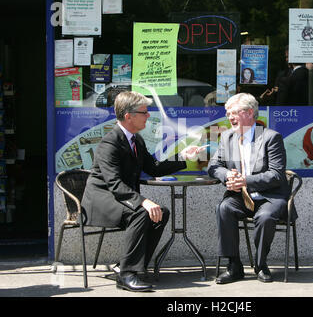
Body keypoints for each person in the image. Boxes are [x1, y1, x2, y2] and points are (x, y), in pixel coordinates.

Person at [81, 91, 202, 292]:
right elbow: (114, 183)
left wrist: (182, 156)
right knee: (141, 212)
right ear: (128, 116)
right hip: (101, 200)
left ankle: (134, 266)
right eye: (144, 112)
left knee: (161, 213)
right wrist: (143, 201)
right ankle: (126, 274)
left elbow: (153, 168)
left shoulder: (136, 140)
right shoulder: (109, 143)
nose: (148, 116)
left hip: (119, 197)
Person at [207, 93, 295, 284]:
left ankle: (261, 264)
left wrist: (244, 180)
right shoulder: (227, 137)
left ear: (248, 113)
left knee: (264, 217)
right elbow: (213, 166)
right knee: (224, 208)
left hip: (270, 196)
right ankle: (234, 265)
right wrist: (227, 176)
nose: (229, 117)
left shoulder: (270, 137)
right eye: (227, 113)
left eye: (233, 112)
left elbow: (276, 175)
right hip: (241, 196)